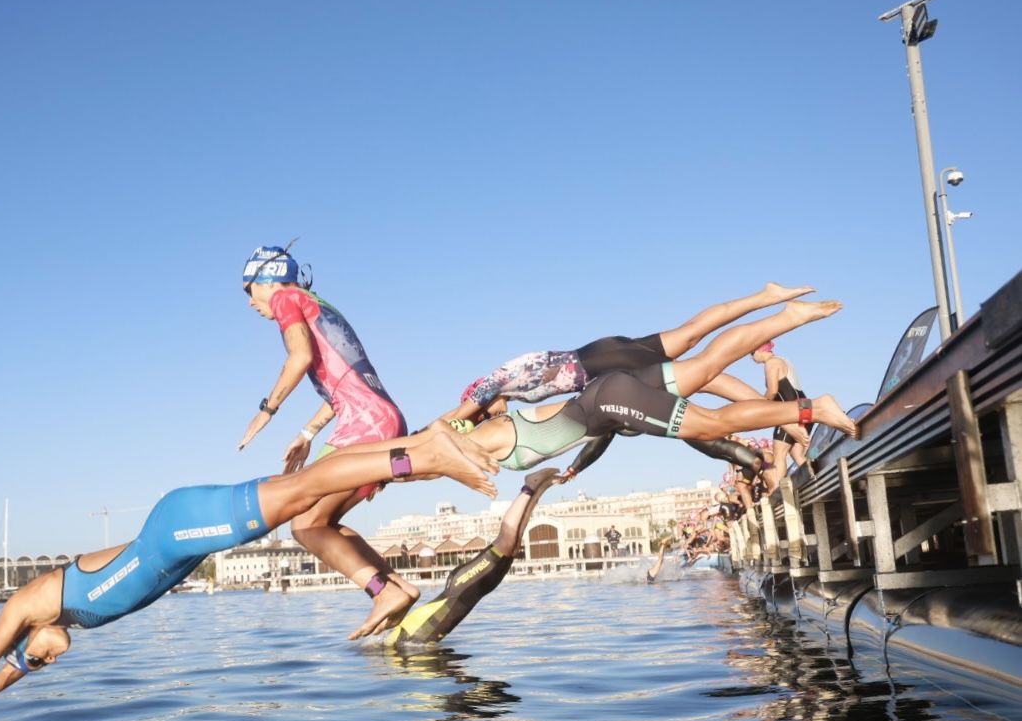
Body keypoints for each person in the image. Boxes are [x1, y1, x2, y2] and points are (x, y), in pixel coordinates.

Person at [0, 425, 498, 721]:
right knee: (302, 500)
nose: (46, 661)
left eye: (39, 659)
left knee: (303, 494)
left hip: (177, 529)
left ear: (33, 636)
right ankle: (427, 447)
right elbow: (5, 670)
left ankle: (426, 455)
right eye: (42, 664)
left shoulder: (29, 605)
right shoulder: (52, 624)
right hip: (181, 533)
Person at [447, 299, 858, 476]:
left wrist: (388, 472)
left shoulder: (491, 427)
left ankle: (814, 409)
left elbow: (429, 448)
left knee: (712, 423)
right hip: (609, 385)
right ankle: (789, 316)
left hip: (609, 390)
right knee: (706, 364)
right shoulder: (506, 411)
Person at [235, 245, 421, 633]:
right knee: (322, 520)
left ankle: (384, 592)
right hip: (375, 417)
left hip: (365, 424)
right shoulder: (317, 304)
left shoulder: (286, 297)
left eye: (249, 289)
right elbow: (342, 386)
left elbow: (299, 357)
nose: (251, 302)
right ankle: (396, 587)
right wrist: (306, 433)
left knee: (303, 522)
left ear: (266, 279)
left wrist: (266, 411)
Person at [442, 281, 815, 424]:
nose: (490, 416)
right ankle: (765, 296)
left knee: (703, 372)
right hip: (602, 351)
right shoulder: (508, 379)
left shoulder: (494, 383)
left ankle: (779, 414)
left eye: (485, 415)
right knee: (690, 338)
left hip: (601, 362)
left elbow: (457, 416)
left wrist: (443, 428)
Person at [376, 468, 561, 644]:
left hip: (462, 587)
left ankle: (530, 486)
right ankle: (541, 487)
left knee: (506, 541)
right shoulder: (406, 643)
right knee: (513, 545)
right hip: (474, 590)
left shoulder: (401, 641)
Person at [753, 340, 812, 492]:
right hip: (805, 406)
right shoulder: (784, 360)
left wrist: (760, 406)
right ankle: (816, 480)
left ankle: (779, 493)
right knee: (797, 455)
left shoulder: (771, 363)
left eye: (752, 353)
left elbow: (772, 391)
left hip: (790, 411)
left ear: (760, 351)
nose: (751, 358)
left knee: (779, 454)